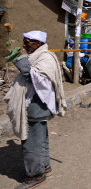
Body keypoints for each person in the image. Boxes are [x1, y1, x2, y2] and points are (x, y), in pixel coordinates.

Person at [4, 31, 66, 189]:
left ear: (38, 43)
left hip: (37, 105)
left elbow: (36, 79)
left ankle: (36, 175)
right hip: (37, 105)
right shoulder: (39, 55)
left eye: (28, 42)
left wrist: (23, 60)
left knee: (31, 142)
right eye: (24, 41)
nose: (24, 44)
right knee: (40, 139)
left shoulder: (45, 58)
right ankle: (44, 166)